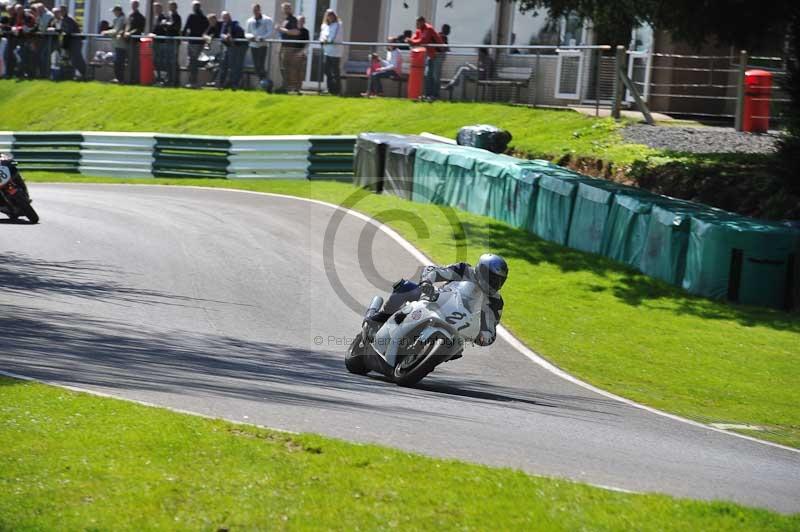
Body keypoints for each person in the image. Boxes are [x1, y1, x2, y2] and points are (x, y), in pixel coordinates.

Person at [364, 254, 508, 349]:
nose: (495, 283)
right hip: (436, 300)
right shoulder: (464, 270)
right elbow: (436, 271)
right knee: (405, 287)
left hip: (459, 325)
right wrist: (427, 282)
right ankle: (379, 319)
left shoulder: (496, 302)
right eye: (492, 278)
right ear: (482, 270)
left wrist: (484, 337)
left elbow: (490, 327)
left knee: (458, 348)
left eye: (499, 280)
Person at [407, 16, 444, 101]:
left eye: (418, 23)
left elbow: (424, 40)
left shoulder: (428, 29)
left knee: (435, 76)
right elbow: (415, 38)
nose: (416, 25)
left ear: (423, 22)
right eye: (416, 23)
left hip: (438, 54)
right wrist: (411, 40)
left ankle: (435, 96)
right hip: (430, 54)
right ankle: (428, 95)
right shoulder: (420, 30)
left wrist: (412, 42)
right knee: (428, 75)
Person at [50, 5, 86, 80]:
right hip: (70, 41)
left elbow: (68, 31)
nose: (61, 12)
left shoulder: (68, 19)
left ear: (66, 11)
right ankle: (74, 75)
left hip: (75, 41)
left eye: (62, 11)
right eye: (60, 11)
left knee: (77, 58)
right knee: (72, 60)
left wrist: (57, 30)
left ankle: (84, 74)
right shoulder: (64, 19)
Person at [276, 2, 303, 93]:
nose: (286, 10)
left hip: (290, 48)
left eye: (288, 8)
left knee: (291, 69)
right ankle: (285, 87)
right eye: (284, 8)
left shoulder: (293, 20)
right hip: (283, 47)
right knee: (283, 68)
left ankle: (293, 88)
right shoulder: (285, 20)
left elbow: (296, 32)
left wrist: (281, 29)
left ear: (290, 9)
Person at [216, 10, 245, 89]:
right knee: (224, 65)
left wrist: (232, 37)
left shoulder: (235, 24)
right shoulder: (224, 25)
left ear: (230, 17)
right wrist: (225, 37)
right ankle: (221, 84)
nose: (225, 19)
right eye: (224, 17)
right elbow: (221, 34)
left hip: (237, 48)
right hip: (228, 48)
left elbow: (240, 34)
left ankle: (234, 84)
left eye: (226, 17)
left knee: (234, 67)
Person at [182, 0, 208, 88]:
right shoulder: (204, 17)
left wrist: (182, 37)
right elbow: (207, 29)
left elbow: (186, 28)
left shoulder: (192, 16)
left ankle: (193, 81)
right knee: (194, 62)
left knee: (193, 62)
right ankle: (193, 81)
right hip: (200, 42)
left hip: (193, 42)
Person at [245, 3, 272, 83]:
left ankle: (264, 82)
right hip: (253, 45)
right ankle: (263, 81)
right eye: (254, 10)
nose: (255, 12)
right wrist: (250, 37)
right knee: (256, 66)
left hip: (262, 45)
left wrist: (262, 37)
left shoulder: (267, 19)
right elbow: (246, 33)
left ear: (260, 10)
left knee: (261, 65)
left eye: (257, 10)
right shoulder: (249, 20)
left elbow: (270, 32)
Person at [318, 8, 341, 95]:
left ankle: (337, 91)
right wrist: (322, 40)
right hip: (327, 51)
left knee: (335, 72)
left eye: (331, 15)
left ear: (334, 16)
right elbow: (322, 36)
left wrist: (326, 41)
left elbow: (333, 38)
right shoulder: (325, 25)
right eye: (328, 15)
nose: (330, 17)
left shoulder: (337, 24)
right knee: (327, 71)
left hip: (335, 52)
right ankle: (330, 89)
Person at [123, 0, 145, 84]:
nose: (133, 6)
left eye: (135, 5)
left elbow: (139, 29)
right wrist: (124, 32)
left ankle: (136, 79)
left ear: (137, 6)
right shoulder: (129, 15)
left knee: (135, 61)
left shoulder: (140, 17)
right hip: (127, 41)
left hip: (135, 42)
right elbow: (126, 26)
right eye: (132, 4)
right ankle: (129, 79)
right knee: (128, 61)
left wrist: (130, 33)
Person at [103, 5, 126, 83]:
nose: (113, 13)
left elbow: (116, 31)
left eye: (114, 11)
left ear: (118, 11)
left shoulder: (121, 19)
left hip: (121, 44)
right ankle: (118, 79)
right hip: (117, 44)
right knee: (117, 62)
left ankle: (120, 79)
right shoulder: (118, 19)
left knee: (118, 63)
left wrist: (106, 32)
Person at [148, 2, 167, 84]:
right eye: (154, 8)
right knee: (156, 61)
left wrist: (154, 34)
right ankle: (157, 78)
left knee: (160, 61)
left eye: (157, 8)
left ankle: (161, 79)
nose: (155, 10)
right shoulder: (156, 18)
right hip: (156, 42)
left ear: (160, 9)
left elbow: (162, 28)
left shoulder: (163, 17)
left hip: (161, 43)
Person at [34, 3, 54, 78]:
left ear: (42, 8)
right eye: (37, 10)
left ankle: (46, 74)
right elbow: (37, 25)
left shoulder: (48, 15)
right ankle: (42, 73)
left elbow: (43, 28)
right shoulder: (40, 15)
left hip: (49, 39)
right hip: (43, 39)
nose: (37, 11)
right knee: (41, 56)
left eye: (38, 10)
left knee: (44, 56)